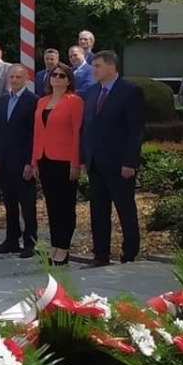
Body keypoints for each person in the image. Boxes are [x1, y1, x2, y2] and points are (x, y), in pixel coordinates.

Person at [80, 51, 145, 268]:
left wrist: (130, 162)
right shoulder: (91, 92)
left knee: (125, 210)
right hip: (95, 163)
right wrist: (84, 158)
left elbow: (135, 130)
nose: (94, 70)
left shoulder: (129, 91)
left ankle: (129, 254)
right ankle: (101, 254)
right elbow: (87, 128)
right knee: (98, 211)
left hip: (119, 165)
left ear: (111, 67)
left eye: (97, 66)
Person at [32, 63, 84, 266]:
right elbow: (37, 133)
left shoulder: (75, 101)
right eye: (54, 75)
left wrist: (75, 162)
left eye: (62, 76)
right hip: (45, 158)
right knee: (51, 206)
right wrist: (34, 160)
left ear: (69, 80)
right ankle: (54, 246)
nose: (57, 78)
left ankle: (63, 248)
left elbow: (77, 133)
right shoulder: (42, 101)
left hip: (64, 160)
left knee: (65, 205)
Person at [0, 63, 39, 256]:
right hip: (4, 160)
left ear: (26, 79)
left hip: (23, 161)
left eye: (18, 77)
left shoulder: (32, 100)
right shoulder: (2, 101)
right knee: (9, 204)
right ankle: (11, 240)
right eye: (11, 77)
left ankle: (30, 242)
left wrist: (31, 162)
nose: (14, 80)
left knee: (27, 205)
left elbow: (35, 134)